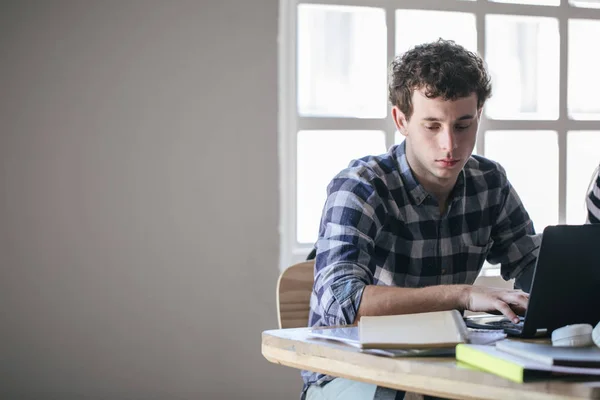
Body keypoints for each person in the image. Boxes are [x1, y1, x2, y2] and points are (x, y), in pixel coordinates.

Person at [302, 39, 541, 400]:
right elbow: (343, 305)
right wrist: (461, 296)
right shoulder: (360, 188)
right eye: (432, 126)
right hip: (351, 370)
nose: (450, 145)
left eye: (464, 125)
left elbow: (533, 265)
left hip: (443, 367)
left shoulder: (489, 183)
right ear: (402, 120)